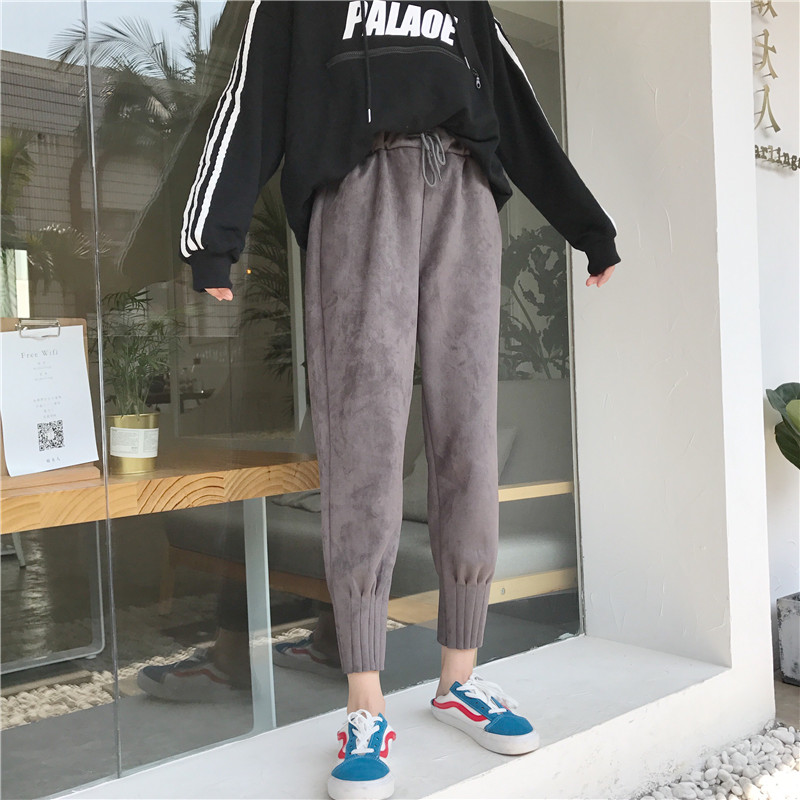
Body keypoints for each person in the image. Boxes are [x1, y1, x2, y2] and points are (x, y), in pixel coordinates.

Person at [178, 2, 620, 798]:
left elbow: (515, 107)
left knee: (467, 436)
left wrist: (587, 225)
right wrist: (214, 235)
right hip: (357, 191)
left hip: (464, 194)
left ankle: (460, 678)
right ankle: (365, 702)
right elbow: (253, 93)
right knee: (364, 439)